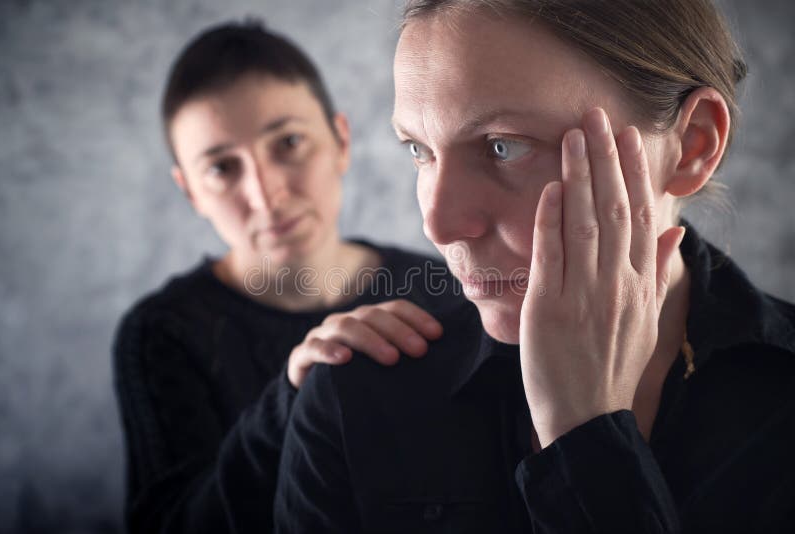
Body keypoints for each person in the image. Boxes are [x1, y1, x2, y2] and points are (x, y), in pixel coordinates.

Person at [274, 1, 795, 532]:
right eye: (419, 149)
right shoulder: (357, 398)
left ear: (692, 145)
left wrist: (585, 436)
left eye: (503, 147)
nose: (439, 224)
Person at [112, 20, 463, 534]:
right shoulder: (160, 334)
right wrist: (293, 400)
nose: (266, 193)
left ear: (340, 141)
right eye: (222, 169)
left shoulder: (444, 289)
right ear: (191, 193)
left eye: (289, 142)